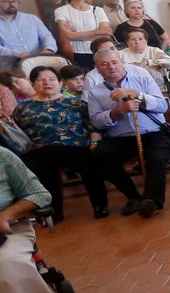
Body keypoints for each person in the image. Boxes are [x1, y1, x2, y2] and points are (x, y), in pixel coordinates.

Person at [84, 40, 170, 217]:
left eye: (115, 62)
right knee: (100, 155)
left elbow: (162, 107)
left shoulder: (141, 75)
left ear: (122, 62)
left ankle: (151, 200)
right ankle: (133, 197)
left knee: (156, 158)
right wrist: (117, 111)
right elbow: (96, 121)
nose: (111, 67)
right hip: (120, 138)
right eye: (104, 64)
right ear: (98, 69)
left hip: (153, 133)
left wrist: (137, 95)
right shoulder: (95, 91)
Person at [0, 148, 73, 293]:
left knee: (5, 265)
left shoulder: (3, 156)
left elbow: (39, 194)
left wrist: (6, 215)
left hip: (10, 230)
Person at [15, 66, 110, 220]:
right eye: (41, 80)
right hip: (41, 151)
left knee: (89, 162)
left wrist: (94, 140)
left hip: (75, 147)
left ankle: (100, 205)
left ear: (60, 83)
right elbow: (16, 132)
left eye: (52, 79)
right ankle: (54, 211)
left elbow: (92, 126)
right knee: (38, 167)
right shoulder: (23, 108)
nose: (47, 83)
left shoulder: (76, 103)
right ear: (33, 84)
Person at [54, 0, 114, 66]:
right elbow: (68, 35)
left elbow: (106, 34)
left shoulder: (97, 10)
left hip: (99, 50)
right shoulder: (61, 11)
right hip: (77, 53)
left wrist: (76, 36)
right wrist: (97, 32)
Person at [0, 0, 58, 68]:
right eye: (7, 2)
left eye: (14, 1)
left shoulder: (32, 19)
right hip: (12, 69)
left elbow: (46, 36)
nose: (12, 4)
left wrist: (49, 49)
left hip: (40, 63)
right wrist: (19, 54)